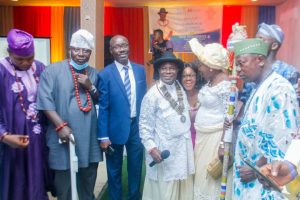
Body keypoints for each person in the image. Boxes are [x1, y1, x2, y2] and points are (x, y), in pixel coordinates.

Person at [37, 29, 102, 200]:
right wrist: (60, 126)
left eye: (86, 50)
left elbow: (100, 99)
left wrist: (91, 86)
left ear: (90, 52)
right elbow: (45, 101)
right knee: (64, 184)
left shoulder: (93, 73)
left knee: (88, 180)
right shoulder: (52, 70)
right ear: (69, 49)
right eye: (76, 49)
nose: (81, 54)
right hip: (63, 137)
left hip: (88, 136)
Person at [232, 38, 299, 200]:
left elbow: (283, 144)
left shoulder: (279, 89)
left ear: (260, 60)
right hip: (248, 184)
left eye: (241, 63)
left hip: (265, 186)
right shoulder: (259, 86)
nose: (238, 70)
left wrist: (257, 168)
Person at [0, 29, 49, 200]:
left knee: (37, 179)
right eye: (20, 59)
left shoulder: (40, 68)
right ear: (9, 53)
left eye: (30, 57)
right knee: (16, 181)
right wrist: (4, 136)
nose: (26, 62)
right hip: (11, 139)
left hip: (38, 137)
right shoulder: (1, 71)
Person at [97, 35, 147, 200]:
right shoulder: (105, 74)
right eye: (117, 47)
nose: (122, 49)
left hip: (136, 127)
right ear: (111, 51)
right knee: (114, 170)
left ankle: (134, 196)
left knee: (135, 167)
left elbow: (144, 101)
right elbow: (103, 108)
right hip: (114, 128)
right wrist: (103, 136)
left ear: (129, 46)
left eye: (124, 45)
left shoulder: (140, 70)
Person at [139, 51, 194, 200]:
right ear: (158, 71)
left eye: (172, 68)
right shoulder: (152, 95)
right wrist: (151, 148)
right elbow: (144, 126)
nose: (168, 71)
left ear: (177, 71)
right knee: (164, 190)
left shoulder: (179, 87)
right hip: (164, 148)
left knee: (182, 186)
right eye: (164, 68)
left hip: (182, 147)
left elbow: (182, 110)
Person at [189, 38, 232, 199]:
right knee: (200, 176)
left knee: (210, 179)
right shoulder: (210, 82)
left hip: (215, 140)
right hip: (202, 137)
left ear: (212, 68)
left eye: (202, 65)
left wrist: (222, 146)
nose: (199, 68)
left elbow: (229, 118)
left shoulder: (226, 86)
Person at [239, 23, 300, 104]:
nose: (256, 43)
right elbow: (245, 102)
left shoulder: (289, 72)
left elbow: (293, 104)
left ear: (274, 46)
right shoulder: (251, 69)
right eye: (255, 39)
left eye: (261, 40)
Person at [180, 62, 204, 148]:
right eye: (184, 76)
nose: (188, 79)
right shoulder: (178, 98)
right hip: (184, 144)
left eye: (191, 75)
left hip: (202, 142)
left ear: (197, 77)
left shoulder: (204, 95)